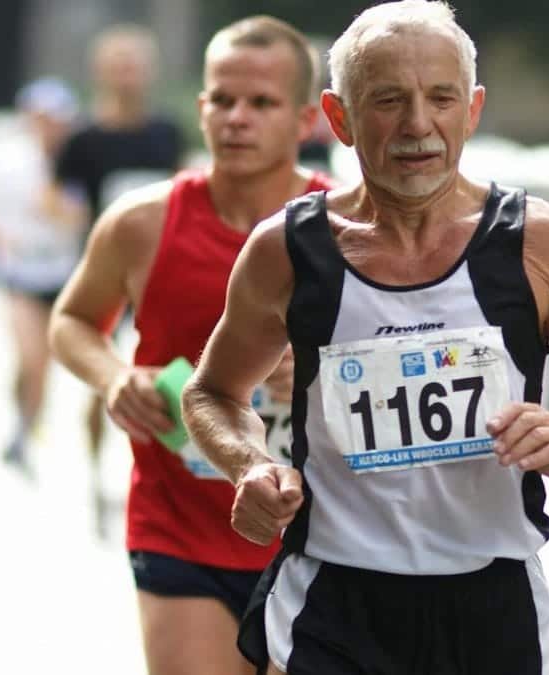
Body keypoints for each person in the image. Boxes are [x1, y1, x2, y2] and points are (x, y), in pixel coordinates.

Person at [180, 3, 549, 674]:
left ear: (472, 109)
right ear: (339, 117)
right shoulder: (289, 249)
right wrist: (249, 464)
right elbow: (211, 393)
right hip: (332, 599)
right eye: (388, 100)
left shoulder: (542, 244)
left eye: (441, 98)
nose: (417, 125)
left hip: (494, 602)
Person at [49, 15, 334, 675]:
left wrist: (322, 369)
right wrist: (117, 376)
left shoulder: (346, 227)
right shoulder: (143, 222)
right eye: (222, 100)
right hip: (179, 524)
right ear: (200, 107)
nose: (237, 117)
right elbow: (71, 320)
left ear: (303, 120)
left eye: (260, 103)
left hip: (320, 537)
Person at [49, 24, 185, 535]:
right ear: (101, 72)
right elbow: (57, 198)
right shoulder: (84, 139)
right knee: (104, 376)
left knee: (164, 374)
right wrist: (90, 229)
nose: (127, 74)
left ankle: (154, 473)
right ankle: (93, 477)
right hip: (107, 273)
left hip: (161, 274)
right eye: (118, 64)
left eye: (135, 64)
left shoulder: (165, 131)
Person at [0, 78, 86, 476]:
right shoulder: (8, 159)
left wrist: (56, 207)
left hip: (61, 269)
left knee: (45, 361)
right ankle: (21, 420)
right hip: (18, 269)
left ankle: (29, 423)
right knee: (29, 355)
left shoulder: (75, 160)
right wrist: (1, 240)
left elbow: (79, 215)